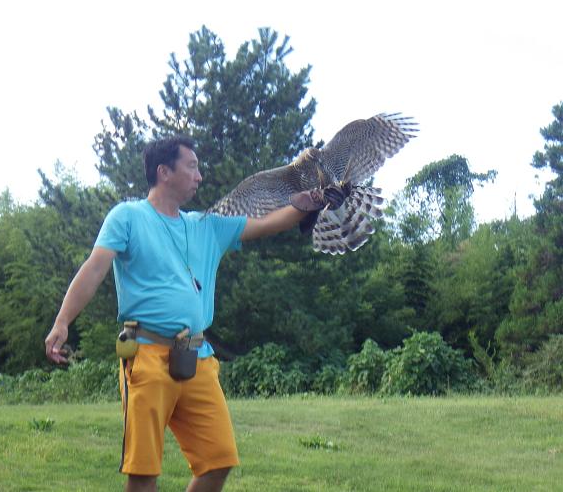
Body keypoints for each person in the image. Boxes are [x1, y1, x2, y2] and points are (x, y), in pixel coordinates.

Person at [44, 135, 344, 492]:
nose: (200, 176)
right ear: (164, 172)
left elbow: (267, 224)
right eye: (192, 166)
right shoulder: (127, 217)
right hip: (146, 356)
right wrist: (62, 321)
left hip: (197, 357)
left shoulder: (206, 225)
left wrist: (310, 203)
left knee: (219, 460)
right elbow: (94, 268)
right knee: (143, 473)